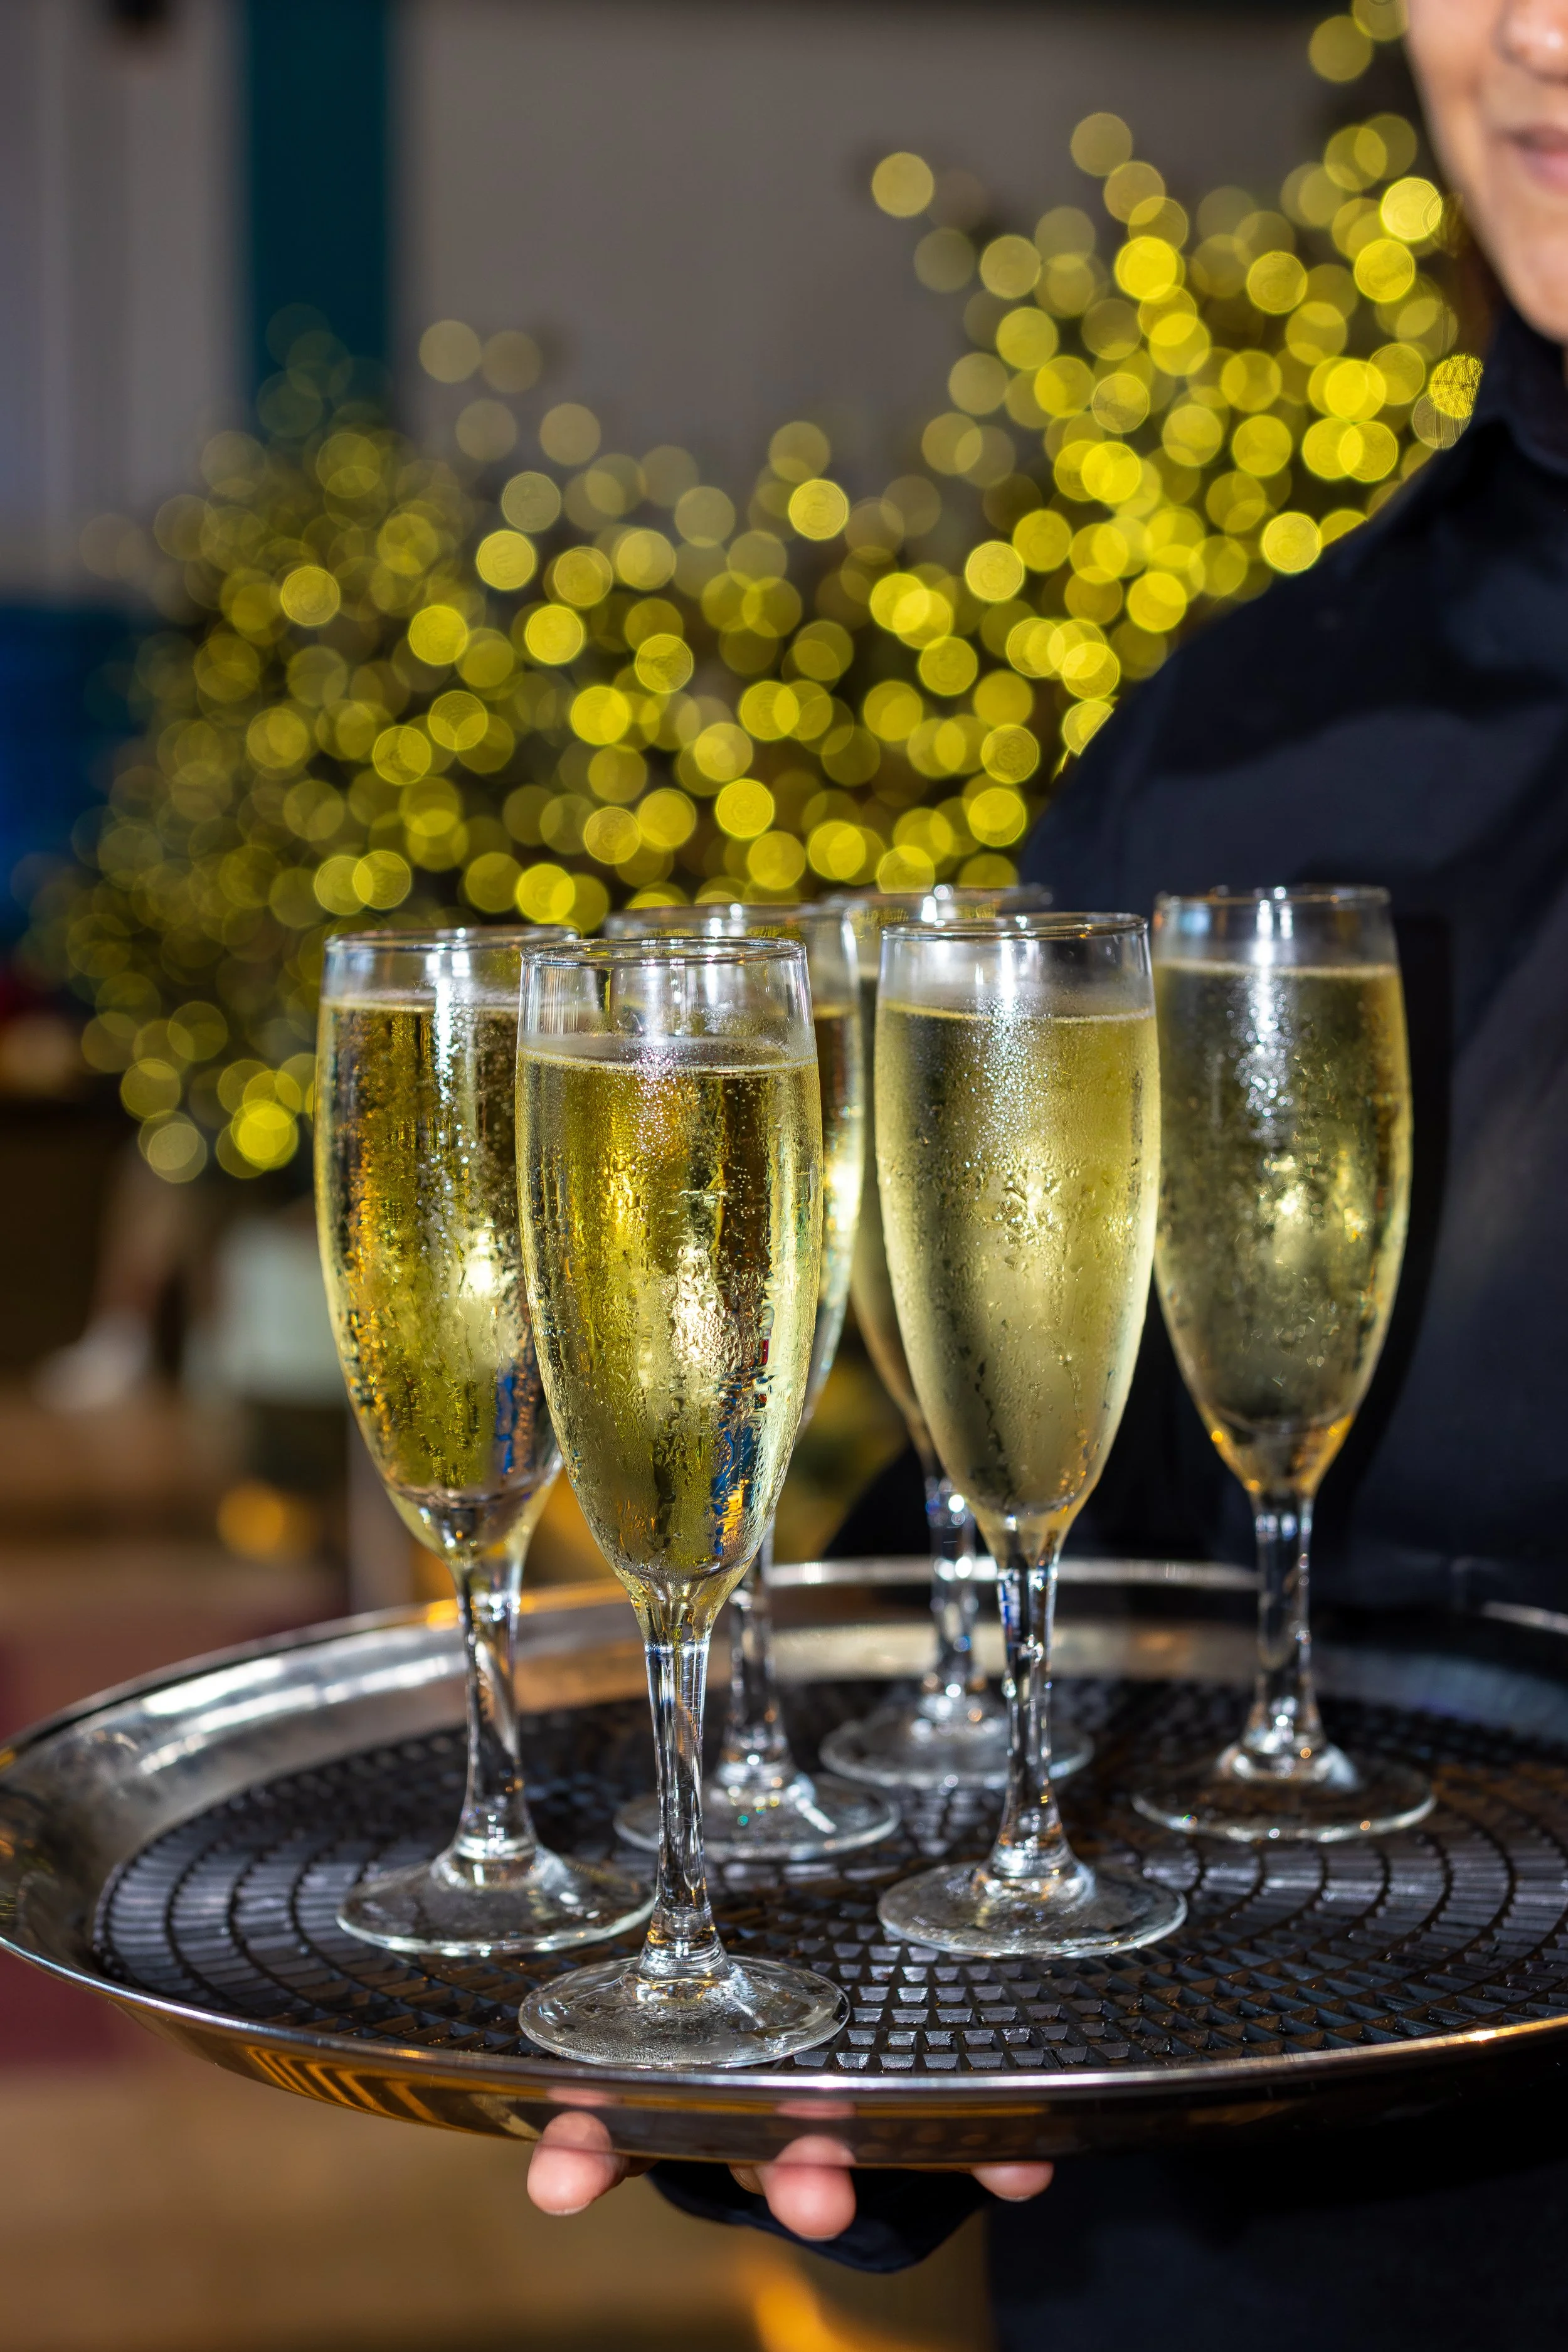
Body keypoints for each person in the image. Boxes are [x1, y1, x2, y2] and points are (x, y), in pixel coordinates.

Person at [526, 1, 1568, 2338]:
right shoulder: (1243, 729)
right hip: (1209, 2273)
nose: (1522, 28)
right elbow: (1041, 1510)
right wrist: (834, 2006)